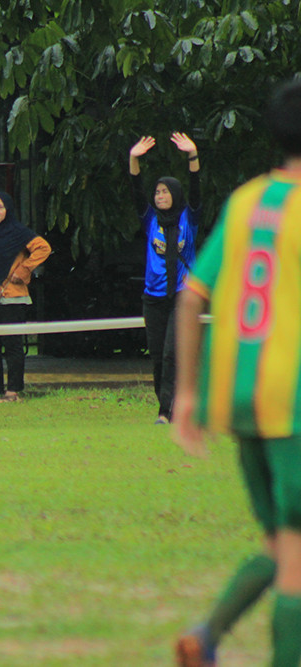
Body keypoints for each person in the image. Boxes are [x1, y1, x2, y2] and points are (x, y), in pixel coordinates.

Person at [172, 79, 301, 667]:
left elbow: (191, 296)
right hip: (292, 402)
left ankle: (206, 637)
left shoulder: (248, 201)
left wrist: (187, 396)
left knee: (282, 546)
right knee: (295, 563)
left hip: (240, 398)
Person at [129, 131, 202, 424]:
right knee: (158, 356)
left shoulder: (188, 219)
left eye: (165, 192)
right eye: (157, 192)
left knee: (172, 354)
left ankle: (165, 411)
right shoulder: (150, 221)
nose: (160, 196)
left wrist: (192, 155)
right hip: (153, 297)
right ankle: (168, 405)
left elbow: (196, 189)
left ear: (175, 194)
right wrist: (133, 159)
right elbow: (136, 190)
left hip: (181, 296)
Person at [0, 191, 50, 404]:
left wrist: (24, 270)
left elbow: (43, 248)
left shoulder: (18, 232)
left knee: (12, 345)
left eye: (0, 207)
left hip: (11, 297)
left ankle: (13, 391)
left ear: (8, 210)